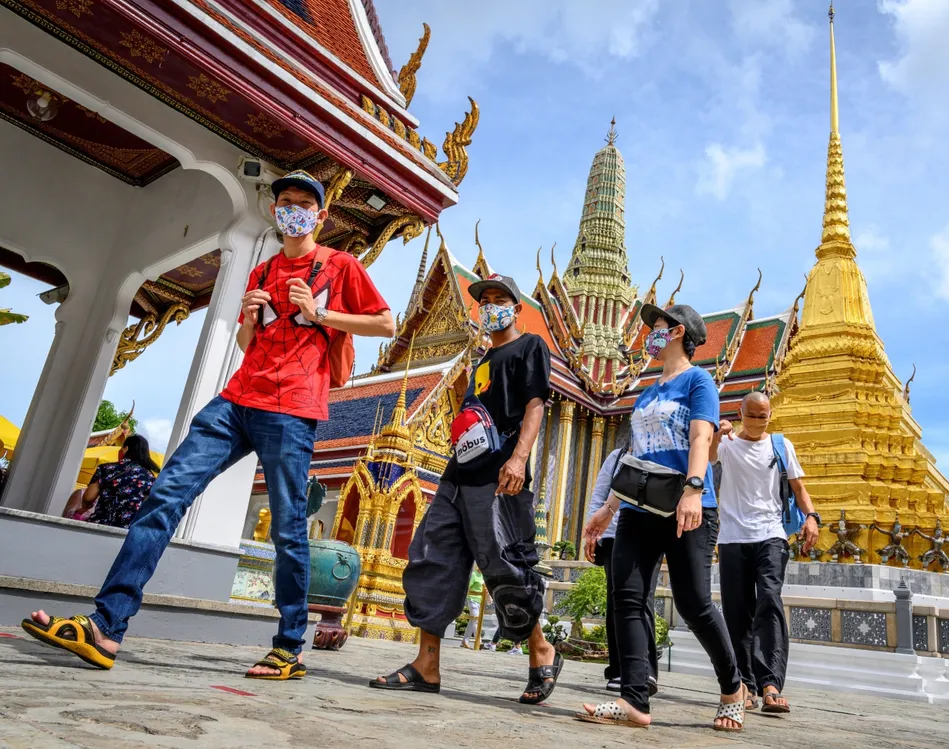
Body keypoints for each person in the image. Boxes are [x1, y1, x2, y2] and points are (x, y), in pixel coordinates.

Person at [22, 170, 394, 679]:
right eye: (285, 201)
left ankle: (289, 647)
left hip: (293, 408)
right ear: (274, 210)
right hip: (238, 398)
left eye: (304, 203)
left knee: (287, 530)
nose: (294, 210)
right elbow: (248, 347)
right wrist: (248, 318)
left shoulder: (340, 266)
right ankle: (106, 626)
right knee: (163, 496)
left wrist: (321, 314)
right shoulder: (261, 273)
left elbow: (385, 323)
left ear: (321, 215)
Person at [371, 274, 559, 703]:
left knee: (503, 564)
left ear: (516, 308)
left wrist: (519, 458)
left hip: (499, 476)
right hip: (457, 475)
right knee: (432, 557)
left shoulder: (530, 347)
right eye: (484, 299)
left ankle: (540, 648)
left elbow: (535, 404)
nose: (490, 305)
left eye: (499, 299)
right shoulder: (480, 360)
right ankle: (427, 665)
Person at [580, 303, 746, 732]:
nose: (648, 335)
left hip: (687, 506)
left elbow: (701, 437)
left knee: (694, 604)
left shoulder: (698, 381)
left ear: (675, 332)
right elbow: (637, 456)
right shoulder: (649, 389)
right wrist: (608, 508)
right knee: (628, 596)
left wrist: (694, 489)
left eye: (655, 328)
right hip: (638, 506)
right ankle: (634, 699)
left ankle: (733, 687)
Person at [711, 391, 820, 714]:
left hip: (771, 535)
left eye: (764, 416)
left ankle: (770, 682)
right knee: (736, 612)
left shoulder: (781, 445)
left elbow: (799, 488)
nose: (758, 422)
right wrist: (719, 434)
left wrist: (811, 517)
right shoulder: (728, 446)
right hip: (732, 538)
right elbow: (708, 456)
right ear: (741, 414)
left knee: (769, 601)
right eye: (753, 415)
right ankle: (744, 683)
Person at [583, 442, 658, 694]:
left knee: (643, 598)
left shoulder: (663, 454)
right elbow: (600, 494)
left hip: (651, 532)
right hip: (614, 534)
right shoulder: (617, 457)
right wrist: (593, 533)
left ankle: (645, 671)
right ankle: (618, 669)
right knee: (616, 601)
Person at [73, 435, 160, 529]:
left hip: (100, 525)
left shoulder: (106, 468)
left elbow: (88, 497)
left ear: (126, 449)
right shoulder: (150, 478)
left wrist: (85, 507)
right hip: (126, 531)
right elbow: (146, 508)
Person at [461, 568, 486, 649]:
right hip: (472, 599)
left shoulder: (483, 575)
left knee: (473, 620)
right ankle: (479, 641)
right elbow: (468, 587)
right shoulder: (474, 574)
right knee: (475, 619)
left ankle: (465, 641)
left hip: (480, 601)